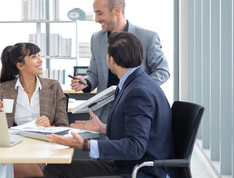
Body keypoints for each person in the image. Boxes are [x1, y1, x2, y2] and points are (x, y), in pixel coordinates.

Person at [44, 32, 177, 178]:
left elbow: (135, 147)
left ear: (111, 60)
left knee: (56, 171)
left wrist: (84, 144)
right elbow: (137, 130)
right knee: (55, 169)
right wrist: (103, 128)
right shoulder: (134, 82)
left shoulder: (138, 92)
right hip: (127, 164)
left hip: (140, 170)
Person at [71, 0, 170, 122]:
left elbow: (163, 71)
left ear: (117, 10)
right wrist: (86, 82)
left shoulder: (148, 37)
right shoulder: (96, 38)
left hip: (135, 106)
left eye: (100, 13)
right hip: (104, 111)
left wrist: (138, 89)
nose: (96, 19)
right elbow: (94, 73)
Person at [0, 42, 69, 178]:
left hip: (43, 152)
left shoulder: (53, 87)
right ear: (20, 65)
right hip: (14, 149)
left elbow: (64, 127)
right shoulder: (6, 89)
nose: (40, 60)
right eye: (33, 57)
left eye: (39, 55)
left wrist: (49, 127)